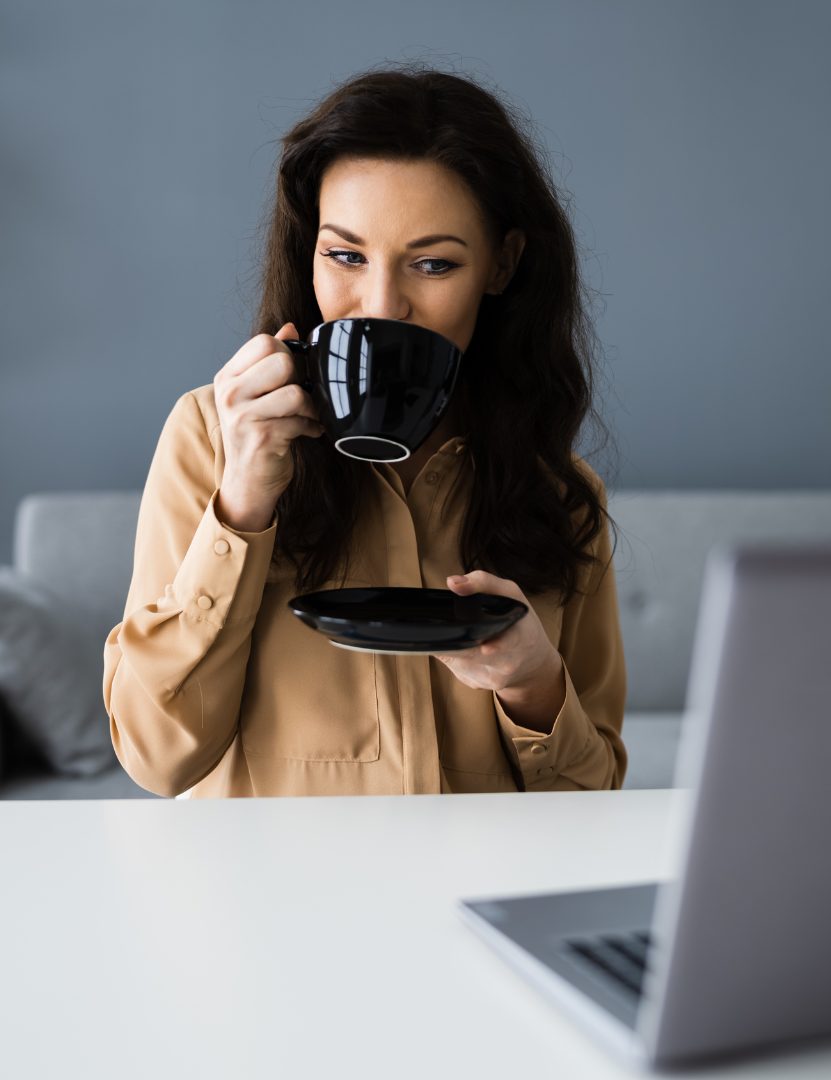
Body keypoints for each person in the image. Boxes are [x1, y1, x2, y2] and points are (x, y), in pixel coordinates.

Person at [104, 67, 626, 797]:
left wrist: (534, 684)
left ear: (502, 266)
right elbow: (158, 761)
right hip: (273, 901)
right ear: (307, 251)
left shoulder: (557, 491)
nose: (380, 307)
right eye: (345, 256)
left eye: (434, 264)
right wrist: (245, 499)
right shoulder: (211, 436)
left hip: (469, 903)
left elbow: (592, 804)